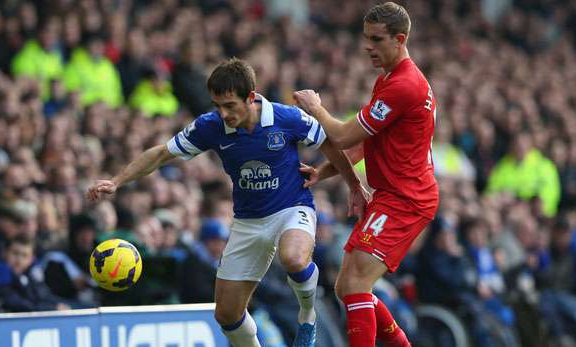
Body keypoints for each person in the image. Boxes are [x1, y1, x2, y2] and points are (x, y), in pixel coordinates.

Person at [87, 58, 367, 347]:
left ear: (251, 97)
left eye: (230, 105)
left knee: (294, 258)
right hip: (248, 221)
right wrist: (117, 181)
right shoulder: (211, 126)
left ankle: (307, 317)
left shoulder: (287, 118)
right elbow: (161, 154)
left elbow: (332, 146)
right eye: (217, 105)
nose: (223, 113)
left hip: (291, 208)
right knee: (227, 315)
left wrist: (354, 185)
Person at [294, 3, 439, 346]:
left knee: (356, 283)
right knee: (348, 286)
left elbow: (343, 136)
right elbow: (364, 142)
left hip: (406, 200)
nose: (368, 47)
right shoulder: (388, 80)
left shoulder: (404, 85)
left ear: (400, 39)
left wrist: (317, 109)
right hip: (391, 196)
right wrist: (324, 171)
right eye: (366, 38)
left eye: (376, 39)